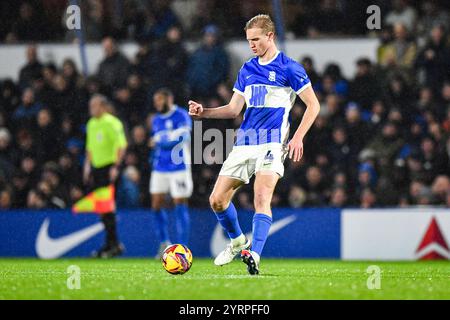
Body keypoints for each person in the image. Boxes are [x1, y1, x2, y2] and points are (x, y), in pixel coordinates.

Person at [188, 14, 320, 275]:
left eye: (256, 39)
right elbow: (233, 109)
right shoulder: (247, 69)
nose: (252, 45)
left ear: (270, 36)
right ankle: (238, 241)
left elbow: (313, 105)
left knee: (262, 197)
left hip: (272, 143)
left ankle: (254, 254)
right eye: (249, 40)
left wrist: (297, 137)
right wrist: (204, 112)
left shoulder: (289, 68)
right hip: (245, 142)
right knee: (216, 200)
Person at [149, 88, 193, 257]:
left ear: (169, 99)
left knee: (179, 203)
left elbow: (183, 139)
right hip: (160, 166)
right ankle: (164, 243)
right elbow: (163, 140)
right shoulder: (156, 120)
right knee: (156, 204)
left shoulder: (181, 115)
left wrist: (160, 140)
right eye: (156, 101)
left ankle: (182, 248)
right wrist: (164, 140)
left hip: (179, 166)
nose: (157, 104)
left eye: (160, 100)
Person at [83, 94, 127, 258]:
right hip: (96, 169)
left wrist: (116, 166)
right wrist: (87, 166)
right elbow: (89, 147)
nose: (91, 110)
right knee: (102, 209)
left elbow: (121, 145)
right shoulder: (91, 123)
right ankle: (111, 244)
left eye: (94, 106)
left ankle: (113, 245)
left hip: (109, 168)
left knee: (107, 208)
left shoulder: (112, 122)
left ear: (102, 106)